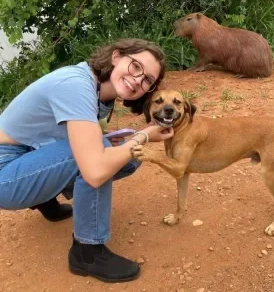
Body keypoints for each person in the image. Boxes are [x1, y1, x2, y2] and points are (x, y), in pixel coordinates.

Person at [0, 38, 174, 283]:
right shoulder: (76, 85)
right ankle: (88, 252)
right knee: (100, 157)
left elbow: (74, 132)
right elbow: (93, 169)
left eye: (147, 81)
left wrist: (124, 140)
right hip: (4, 170)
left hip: (27, 151)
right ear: (116, 57)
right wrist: (144, 135)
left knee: (127, 156)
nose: (138, 80)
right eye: (136, 67)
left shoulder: (100, 92)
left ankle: (44, 197)